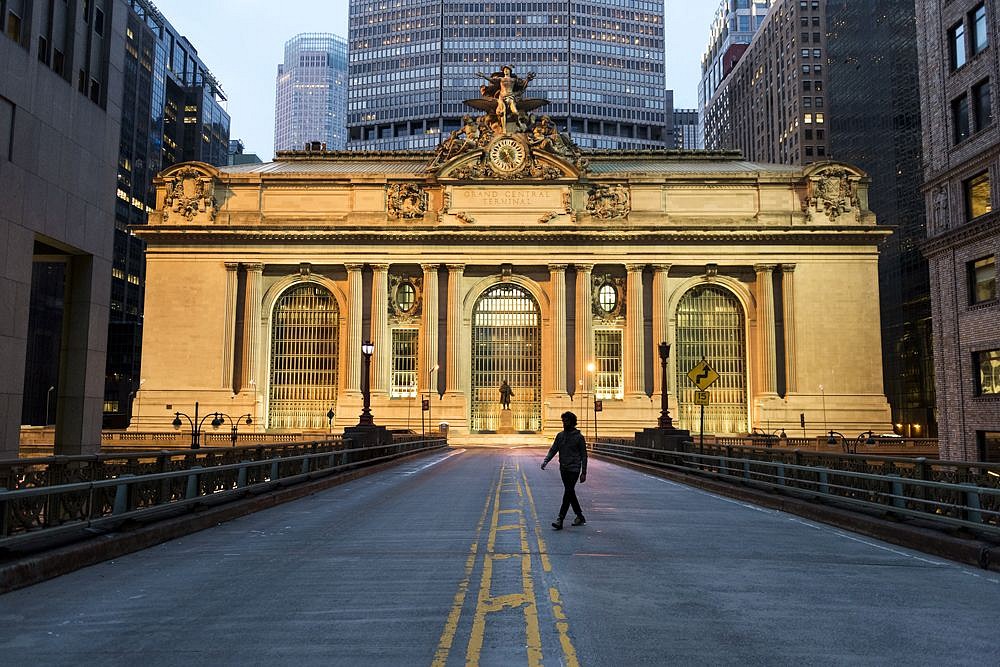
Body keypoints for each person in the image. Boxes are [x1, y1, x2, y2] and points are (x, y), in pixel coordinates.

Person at [541, 411, 587, 530]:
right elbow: (553, 449)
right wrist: (546, 461)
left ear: (572, 422)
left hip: (574, 469)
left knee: (568, 492)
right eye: (563, 421)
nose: (564, 423)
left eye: (566, 421)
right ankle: (579, 516)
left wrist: (584, 472)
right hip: (564, 468)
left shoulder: (579, 437)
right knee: (570, 492)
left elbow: (584, 455)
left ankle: (560, 519)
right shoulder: (560, 436)